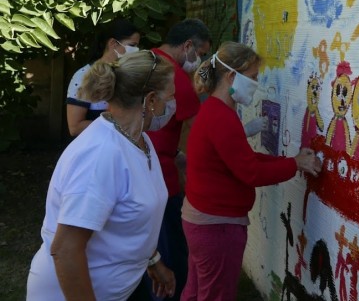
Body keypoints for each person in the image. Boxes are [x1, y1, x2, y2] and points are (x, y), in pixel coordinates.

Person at [27, 50, 176, 300]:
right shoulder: (101, 155)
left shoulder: (139, 139)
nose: (171, 106)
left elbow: (130, 216)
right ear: (150, 100)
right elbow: (65, 250)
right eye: (169, 98)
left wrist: (152, 259)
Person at [182, 41, 322, 301]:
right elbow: (251, 172)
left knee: (197, 291)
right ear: (231, 75)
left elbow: (244, 159)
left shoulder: (215, 110)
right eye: (253, 78)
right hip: (216, 227)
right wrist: (295, 164)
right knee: (215, 295)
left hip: (203, 221)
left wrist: (291, 161)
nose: (256, 84)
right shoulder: (220, 117)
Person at [145, 18, 212, 301]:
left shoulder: (146, 59)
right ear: (188, 46)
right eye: (202, 54)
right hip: (162, 176)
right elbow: (202, 135)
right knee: (171, 254)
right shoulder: (176, 79)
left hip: (151, 164)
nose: (201, 62)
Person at [66, 18, 140, 136]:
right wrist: (118, 123)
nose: (136, 50)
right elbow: (75, 127)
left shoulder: (129, 73)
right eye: (132, 45)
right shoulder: (83, 76)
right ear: (113, 43)